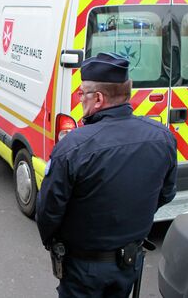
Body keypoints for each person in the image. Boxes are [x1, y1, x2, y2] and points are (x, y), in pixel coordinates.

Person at [36, 52, 177, 298]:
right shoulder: (161, 136)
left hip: (83, 267)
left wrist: (55, 242)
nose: (80, 100)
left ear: (98, 98)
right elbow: (166, 193)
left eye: (82, 94)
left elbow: (48, 212)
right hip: (129, 263)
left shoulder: (74, 146)